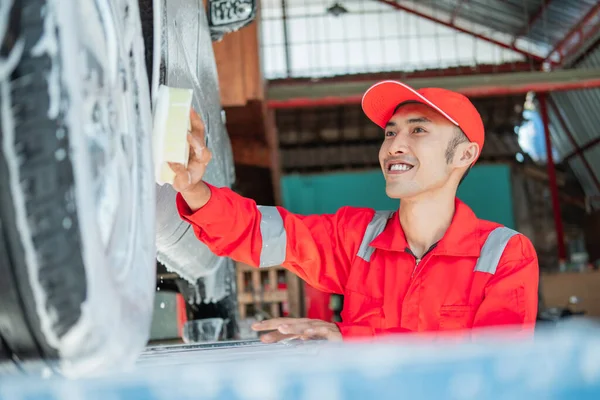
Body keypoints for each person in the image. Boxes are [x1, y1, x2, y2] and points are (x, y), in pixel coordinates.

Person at [168, 80, 539, 343]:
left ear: (464, 155)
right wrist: (194, 189)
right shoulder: (358, 238)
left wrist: (352, 339)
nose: (395, 145)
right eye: (390, 133)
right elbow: (260, 232)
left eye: (419, 130)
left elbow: (495, 367)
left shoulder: (505, 255)